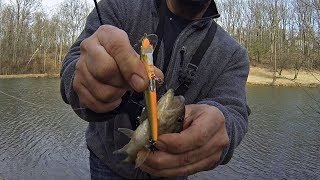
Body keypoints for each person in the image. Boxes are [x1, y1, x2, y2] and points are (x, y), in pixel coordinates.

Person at [60, 0, 250, 179]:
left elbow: (235, 112)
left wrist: (224, 127)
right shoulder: (119, 5)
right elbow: (72, 66)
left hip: (172, 174)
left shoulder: (234, 55)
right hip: (106, 162)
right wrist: (83, 81)